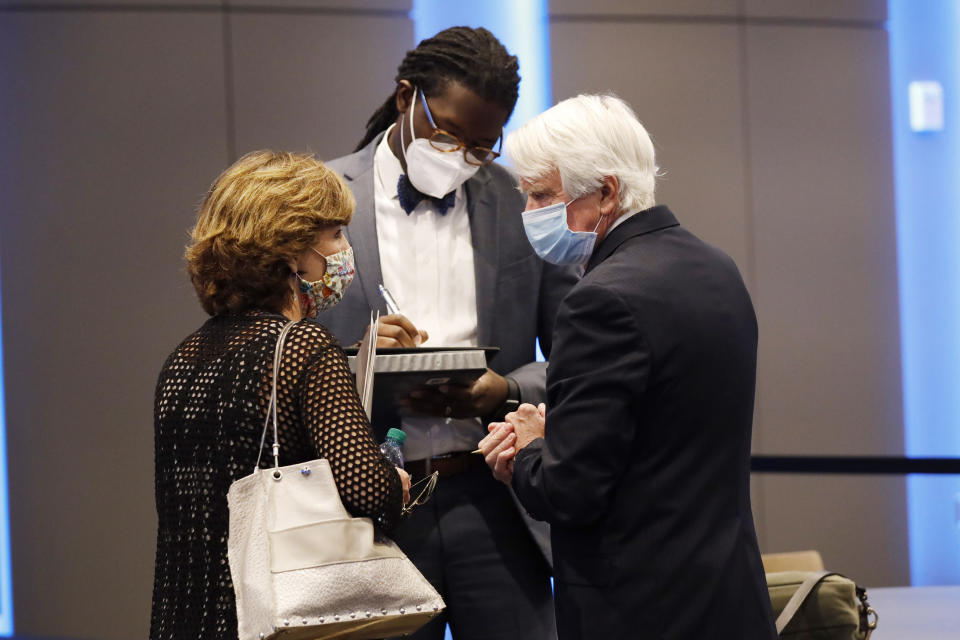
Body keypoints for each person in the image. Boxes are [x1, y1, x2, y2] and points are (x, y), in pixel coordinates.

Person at [478, 94, 778, 639]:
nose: (529, 215)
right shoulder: (716, 267)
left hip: (638, 608)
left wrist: (528, 448)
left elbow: (570, 490)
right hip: (726, 596)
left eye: (542, 195)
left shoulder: (600, 301)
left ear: (607, 191)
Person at [321, 26, 576, 640]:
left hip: (492, 497)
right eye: (447, 136)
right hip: (369, 500)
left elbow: (577, 354)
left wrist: (505, 390)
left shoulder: (520, 204)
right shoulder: (321, 197)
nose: (460, 156)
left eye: (481, 147)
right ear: (407, 97)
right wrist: (353, 360)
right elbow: (272, 343)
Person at [150, 151, 410, 640]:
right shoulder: (304, 347)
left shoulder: (183, 357)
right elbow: (366, 492)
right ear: (291, 252)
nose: (344, 250)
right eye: (335, 235)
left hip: (185, 615)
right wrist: (395, 481)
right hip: (276, 615)